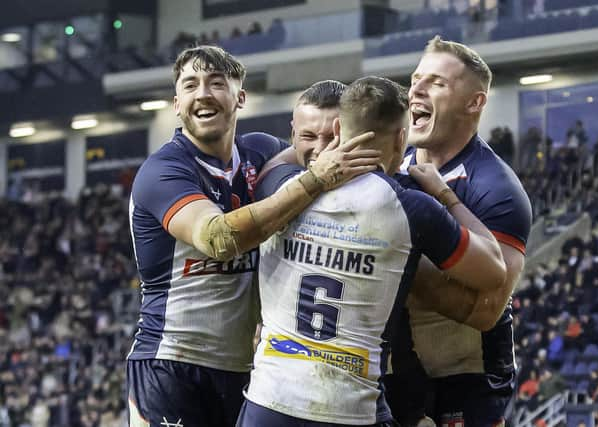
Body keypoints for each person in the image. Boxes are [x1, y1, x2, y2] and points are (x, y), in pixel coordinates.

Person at [126, 45, 380, 427]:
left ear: (239, 97)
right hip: (172, 361)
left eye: (216, 83)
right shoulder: (163, 170)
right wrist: (315, 179)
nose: (203, 94)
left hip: (247, 368)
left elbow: (318, 154)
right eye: (191, 85)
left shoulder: (261, 152)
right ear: (177, 104)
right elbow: (218, 239)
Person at [237, 76, 506, 426]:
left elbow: (280, 164)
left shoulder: (279, 184)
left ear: (336, 129)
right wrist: (444, 194)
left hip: (270, 402)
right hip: (350, 408)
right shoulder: (414, 208)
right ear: (401, 138)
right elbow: (494, 271)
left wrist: (323, 160)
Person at [389, 35, 532, 427]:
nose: (415, 89)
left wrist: (392, 260)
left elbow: (488, 310)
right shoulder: (388, 163)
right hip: (397, 371)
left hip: (467, 377)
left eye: (436, 82)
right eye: (415, 78)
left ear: (474, 102)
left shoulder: (496, 187)